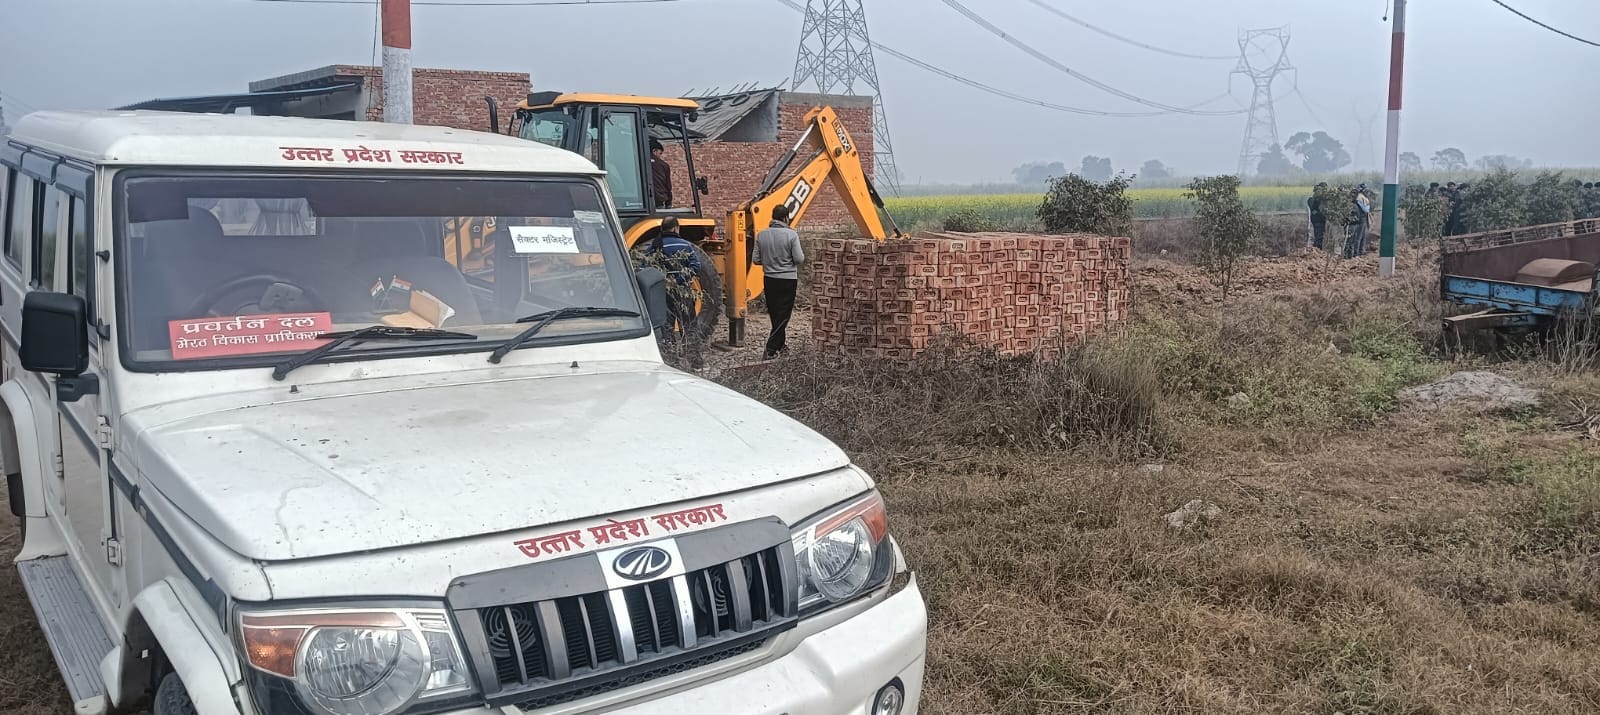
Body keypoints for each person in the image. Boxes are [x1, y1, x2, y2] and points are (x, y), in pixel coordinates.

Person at [645, 217, 702, 369]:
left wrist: (664, 279)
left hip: (664, 293)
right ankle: (695, 361)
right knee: (689, 325)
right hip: (683, 293)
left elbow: (646, 266)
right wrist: (680, 279)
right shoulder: (685, 245)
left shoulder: (655, 246)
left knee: (667, 327)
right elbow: (696, 266)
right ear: (676, 228)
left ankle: (671, 362)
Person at [752, 203, 804, 360]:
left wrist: (770, 262)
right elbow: (799, 259)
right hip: (787, 279)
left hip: (769, 279)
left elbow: (756, 259)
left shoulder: (761, 235)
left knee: (775, 313)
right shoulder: (791, 235)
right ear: (786, 218)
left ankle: (781, 345)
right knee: (784, 315)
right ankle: (771, 348)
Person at [1346, 184, 1372, 259]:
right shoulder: (1359, 198)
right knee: (1358, 237)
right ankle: (1357, 253)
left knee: (1361, 237)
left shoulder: (1360, 198)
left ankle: (1359, 252)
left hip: (1361, 220)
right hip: (1360, 220)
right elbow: (1365, 209)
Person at [650, 138, 672, 209]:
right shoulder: (664, 165)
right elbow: (668, 186)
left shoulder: (638, 162)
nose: (660, 156)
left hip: (641, 201)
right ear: (654, 151)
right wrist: (668, 203)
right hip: (659, 199)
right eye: (660, 153)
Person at [1307, 182, 1328, 250]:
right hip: (1317, 221)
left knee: (1318, 237)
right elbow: (1313, 209)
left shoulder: (1321, 199)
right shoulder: (1314, 199)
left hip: (1319, 221)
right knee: (1317, 238)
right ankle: (1316, 252)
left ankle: (1316, 251)